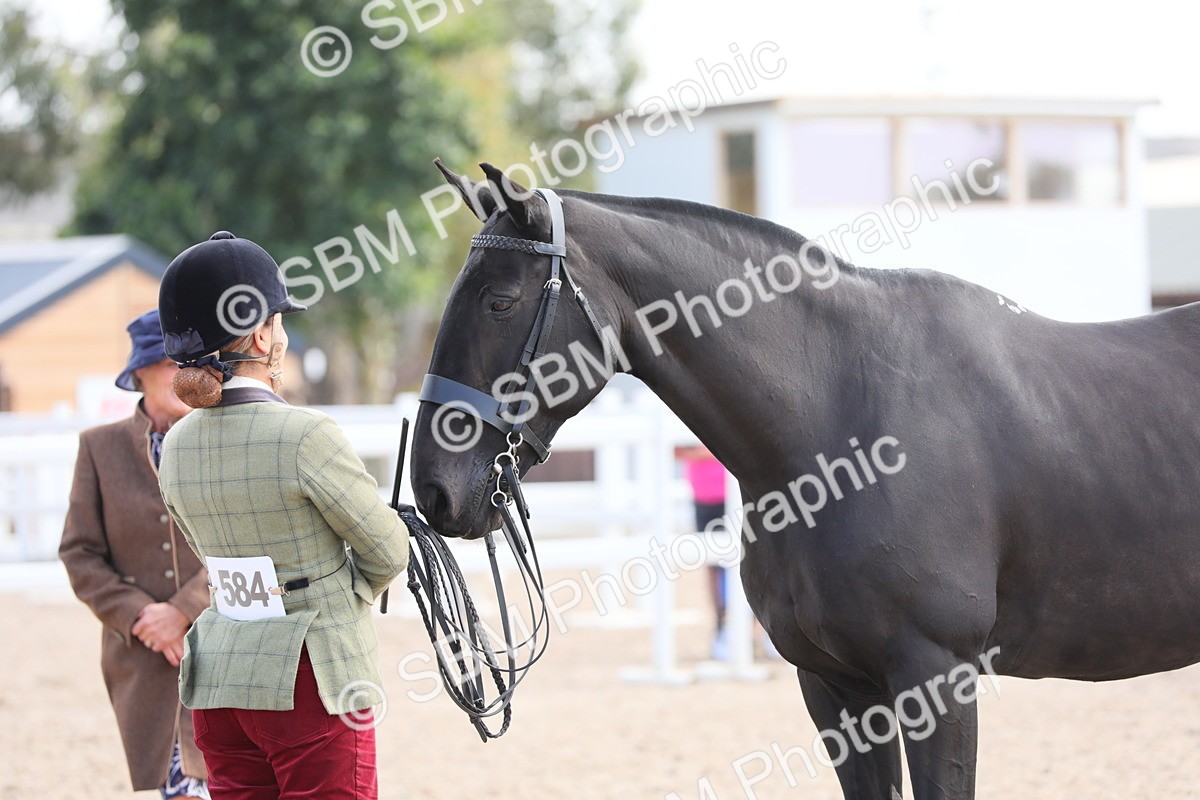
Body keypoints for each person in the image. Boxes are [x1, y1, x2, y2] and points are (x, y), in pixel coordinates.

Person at [156, 231, 410, 800]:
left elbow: (210, 551)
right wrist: (343, 591)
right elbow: (389, 551)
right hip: (310, 679)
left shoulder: (176, 444)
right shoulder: (305, 434)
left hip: (220, 681)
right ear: (259, 332)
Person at [60, 308, 211, 799]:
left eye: (192, 363)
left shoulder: (224, 442)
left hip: (222, 651)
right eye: (170, 363)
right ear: (140, 372)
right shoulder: (99, 449)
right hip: (144, 664)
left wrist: (184, 610)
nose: (182, 375)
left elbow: (259, 543)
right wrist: (145, 616)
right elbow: (79, 553)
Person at [677, 444, 729, 661]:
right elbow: (675, 449)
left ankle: (757, 632)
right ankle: (721, 627)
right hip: (704, 496)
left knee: (746, 561)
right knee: (713, 567)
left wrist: (702, 451)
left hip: (731, 493)